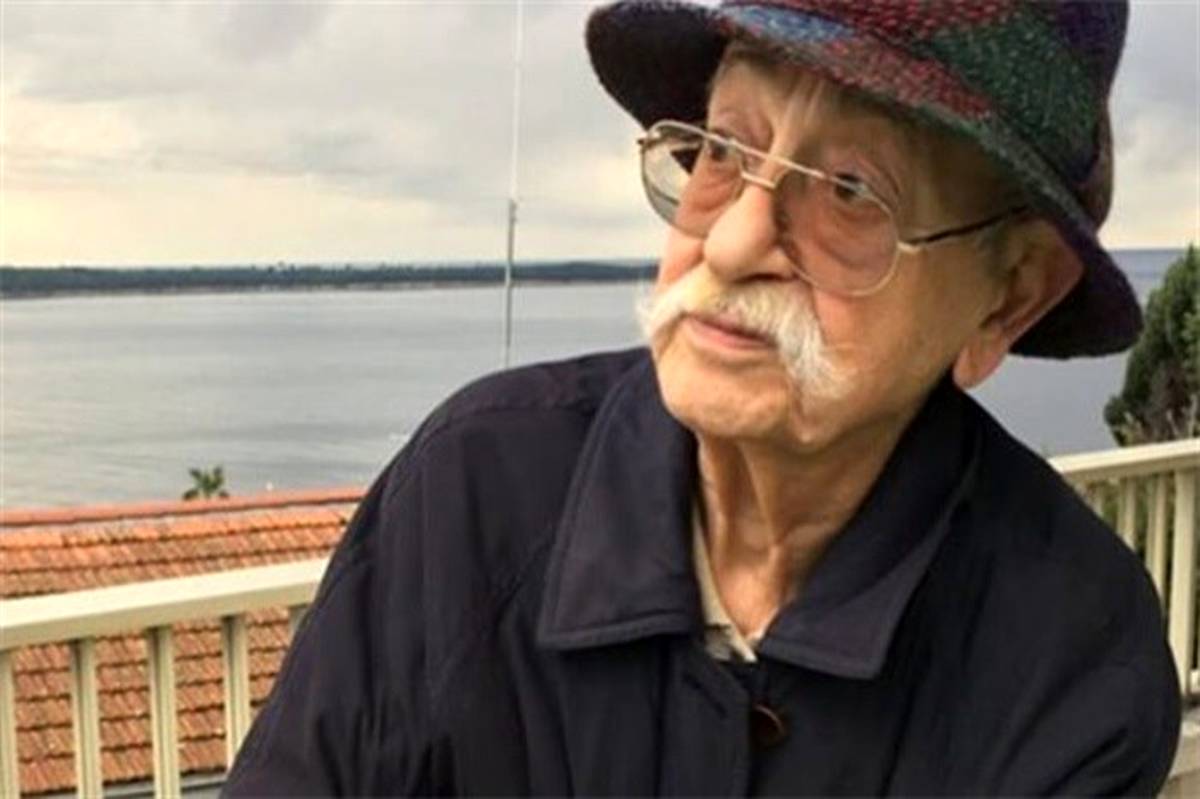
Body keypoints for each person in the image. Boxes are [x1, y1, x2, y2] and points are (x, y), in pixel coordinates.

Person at [224, 0, 1182, 794]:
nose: (729, 244)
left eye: (851, 190)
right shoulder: (472, 495)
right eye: (722, 149)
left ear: (1008, 296)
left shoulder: (1071, 656)